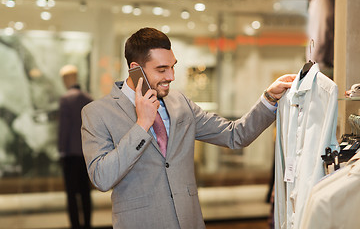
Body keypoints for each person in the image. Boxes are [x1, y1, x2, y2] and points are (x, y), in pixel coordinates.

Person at [81, 27, 296, 229]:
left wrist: (269, 98)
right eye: (161, 69)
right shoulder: (97, 113)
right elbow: (101, 177)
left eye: (172, 66)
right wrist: (142, 124)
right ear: (136, 70)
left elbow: (235, 135)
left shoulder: (180, 102)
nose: (171, 76)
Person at [58, 65, 93, 229]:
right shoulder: (89, 99)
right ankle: (87, 224)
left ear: (66, 79)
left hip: (70, 154)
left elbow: (63, 129)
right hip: (86, 154)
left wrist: (61, 150)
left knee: (72, 194)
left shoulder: (66, 99)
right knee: (86, 193)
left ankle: (75, 225)